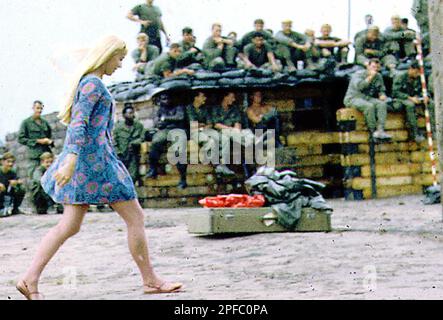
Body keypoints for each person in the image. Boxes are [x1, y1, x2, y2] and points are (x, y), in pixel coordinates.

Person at [16, 36, 182, 300]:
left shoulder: (88, 81)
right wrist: (70, 159)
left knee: (69, 226)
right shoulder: (93, 84)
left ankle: (29, 278)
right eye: (119, 59)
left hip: (87, 163)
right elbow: (78, 123)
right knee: (135, 217)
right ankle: (150, 280)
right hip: (96, 164)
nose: (119, 65)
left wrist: (72, 159)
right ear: (107, 56)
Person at [146, 93, 188, 189]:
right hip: (166, 130)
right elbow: (157, 122)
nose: (165, 101)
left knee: (179, 151)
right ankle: (153, 168)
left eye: (166, 98)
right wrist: (161, 122)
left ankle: (183, 177)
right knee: (156, 141)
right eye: (163, 99)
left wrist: (165, 119)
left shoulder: (178, 107)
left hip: (178, 130)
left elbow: (180, 117)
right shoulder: (161, 109)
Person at [211, 92, 258, 176]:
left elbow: (238, 123)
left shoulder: (234, 109)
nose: (234, 99)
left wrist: (236, 129)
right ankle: (253, 143)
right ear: (225, 97)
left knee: (247, 132)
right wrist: (231, 129)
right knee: (231, 134)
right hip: (223, 131)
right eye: (232, 97)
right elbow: (216, 124)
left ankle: (255, 141)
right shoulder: (216, 109)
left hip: (234, 132)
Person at [344, 58, 391, 140]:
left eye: (377, 68)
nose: (375, 69)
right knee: (369, 106)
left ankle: (380, 130)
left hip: (367, 98)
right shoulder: (358, 74)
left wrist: (382, 95)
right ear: (368, 66)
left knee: (381, 104)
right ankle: (372, 131)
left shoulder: (378, 76)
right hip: (354, 98)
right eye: (373, 67)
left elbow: (381, 89)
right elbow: (360, 86)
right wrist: (370, 77)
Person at [391, 61, 435, 143]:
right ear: (411, 69)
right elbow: (395, 92)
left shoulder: (419, 77)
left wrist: (426, 96)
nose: (417, 74)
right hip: (402, 99)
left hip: (416, 97)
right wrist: (410, 98)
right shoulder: (400, 76)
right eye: (416, 72)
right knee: (410, 105)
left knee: (431, 104)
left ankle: (433, 130)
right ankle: (414, 133)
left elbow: (424, 89)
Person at [18, 101, 53, 178]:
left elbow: (50, 137)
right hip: (34, 158)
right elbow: (21, 139)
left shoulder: (45, 123)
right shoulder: (26, 123)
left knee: (49, 179)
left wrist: (49, 141)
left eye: (41, 108)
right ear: (33, 108)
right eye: (37, 108)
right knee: (36, 180)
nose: (39, 110)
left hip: (46, 157)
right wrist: (37, 141)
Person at [114, 103, 145, 185]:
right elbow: (113, 141)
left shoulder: (138, 126)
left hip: (133, 155)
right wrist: (118, 152)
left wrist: (134, 143)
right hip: (122, 155)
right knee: (120, 177)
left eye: (132, 113)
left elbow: (142, 137)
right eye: (129, 113)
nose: (132, 115)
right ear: (124, 115)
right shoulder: (118, 127)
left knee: (132, 176)